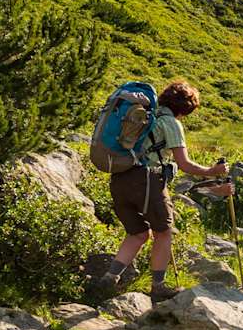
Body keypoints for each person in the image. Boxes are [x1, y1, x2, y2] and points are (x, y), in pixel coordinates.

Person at [90, 81, 232, 303]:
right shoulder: (170, 123)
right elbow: (185, 164)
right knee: (163, 233)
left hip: (120, 178)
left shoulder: (143, 116)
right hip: (146, 179)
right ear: (185, 109)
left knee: (138, 234)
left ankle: (108, 280)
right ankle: (158, 287)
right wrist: (212, 171)